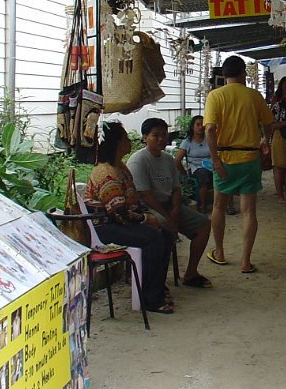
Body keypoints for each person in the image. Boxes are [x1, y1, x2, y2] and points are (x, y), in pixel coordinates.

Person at [82, 122, 175, 313]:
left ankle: (156, 287)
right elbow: (119, 213)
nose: (129, 141)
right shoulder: (106, 173)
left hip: (120, 221)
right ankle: (150, 298)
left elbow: (131, 204)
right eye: (125, 138)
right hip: (105, 227)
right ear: (116, 143)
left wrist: (147, 216)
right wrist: (145, 220)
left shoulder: (120, 167)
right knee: (153, 238)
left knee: (166, 234)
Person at [203, 55, 275, 274]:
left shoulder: (215, 96)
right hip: (249, 159)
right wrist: (265, 141)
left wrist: (215, 160)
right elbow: (268, 124)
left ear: (224, 74)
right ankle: (245, 261)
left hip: (224, 159)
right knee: (249, 211)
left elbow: (209, 129)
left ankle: (220, 252)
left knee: (218, 207)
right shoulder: (254, 95)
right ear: (243, 73)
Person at [128, 117, 212, 289]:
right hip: (147, 208)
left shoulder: (167, 159)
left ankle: (191, 273)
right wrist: (168, 217)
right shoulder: (138, 160)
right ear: (145, 137)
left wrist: (175, 209)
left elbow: (175, 188)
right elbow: (146, 195)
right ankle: (156, 283)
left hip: (168, 205)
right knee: (163, 229)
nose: (161, 139)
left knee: (203, 224)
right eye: (155, 135)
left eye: (163, 134)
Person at [174, 115, 212, 213]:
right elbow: (177, 160)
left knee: (224, 170)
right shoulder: (187, 142)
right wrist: (184, 174)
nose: (200, 127)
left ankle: (228, 205)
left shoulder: (209, 139)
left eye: (202, 125)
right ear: (192, 127)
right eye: (197, 125)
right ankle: (203, 206)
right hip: (195, 168)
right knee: (203, 174)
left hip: (210, 165)